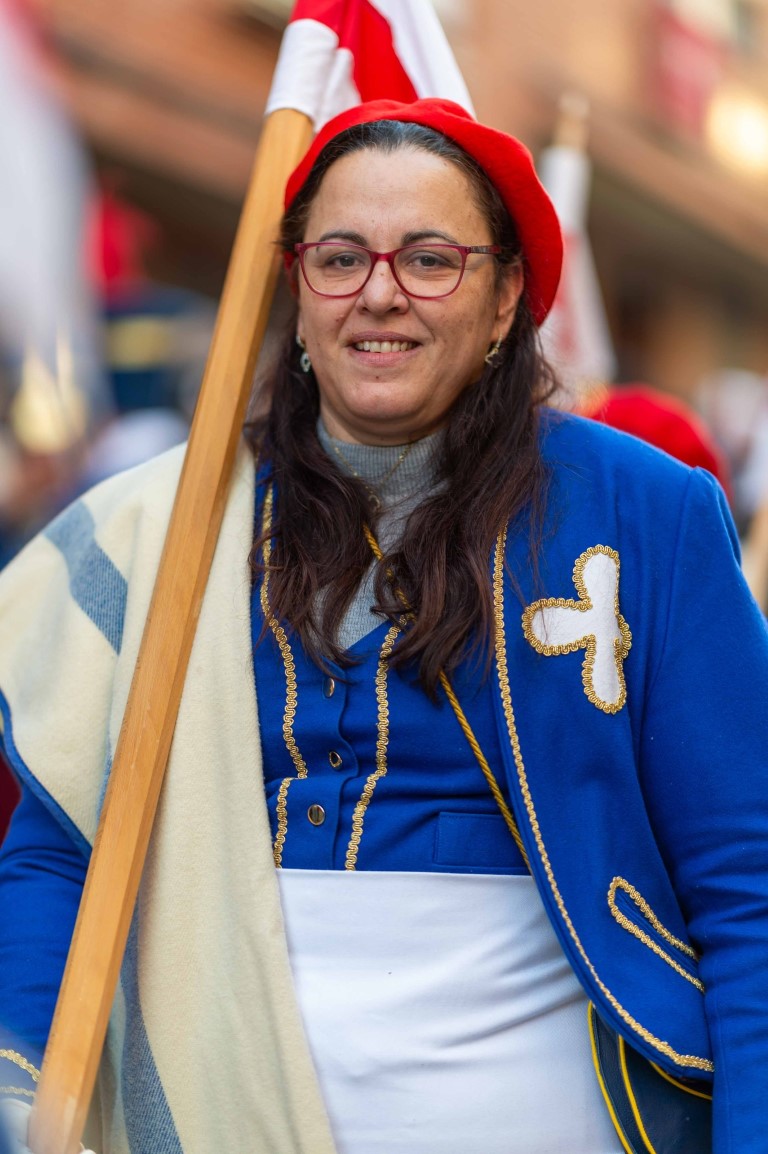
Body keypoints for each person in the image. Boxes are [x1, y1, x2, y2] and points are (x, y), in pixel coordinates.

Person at [1, 97, 767, 1154]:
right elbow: (59, 853)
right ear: (298, 290)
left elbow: (747, 888)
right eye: (340, 257)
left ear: (505, 299)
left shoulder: (650, 510)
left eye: (430, 260)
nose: (379, 293)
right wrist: (21, 1091)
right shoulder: (163, 526)